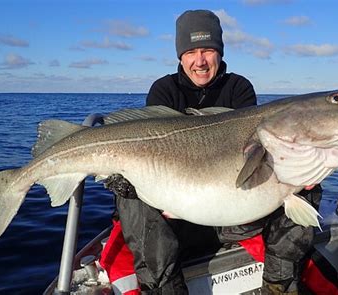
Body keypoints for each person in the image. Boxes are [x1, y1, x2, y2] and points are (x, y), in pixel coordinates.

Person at [105, 10, 322, 294]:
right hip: (176, 222)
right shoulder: (163, 91)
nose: (200, 60)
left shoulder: (239, 88)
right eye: (191, 51)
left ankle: (278, 284)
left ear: (219, 52)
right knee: (129, 192)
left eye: (208, 50)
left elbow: (255, 156)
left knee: (307, 181)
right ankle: (163, 288)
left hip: (235, 216)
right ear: (180, 56)